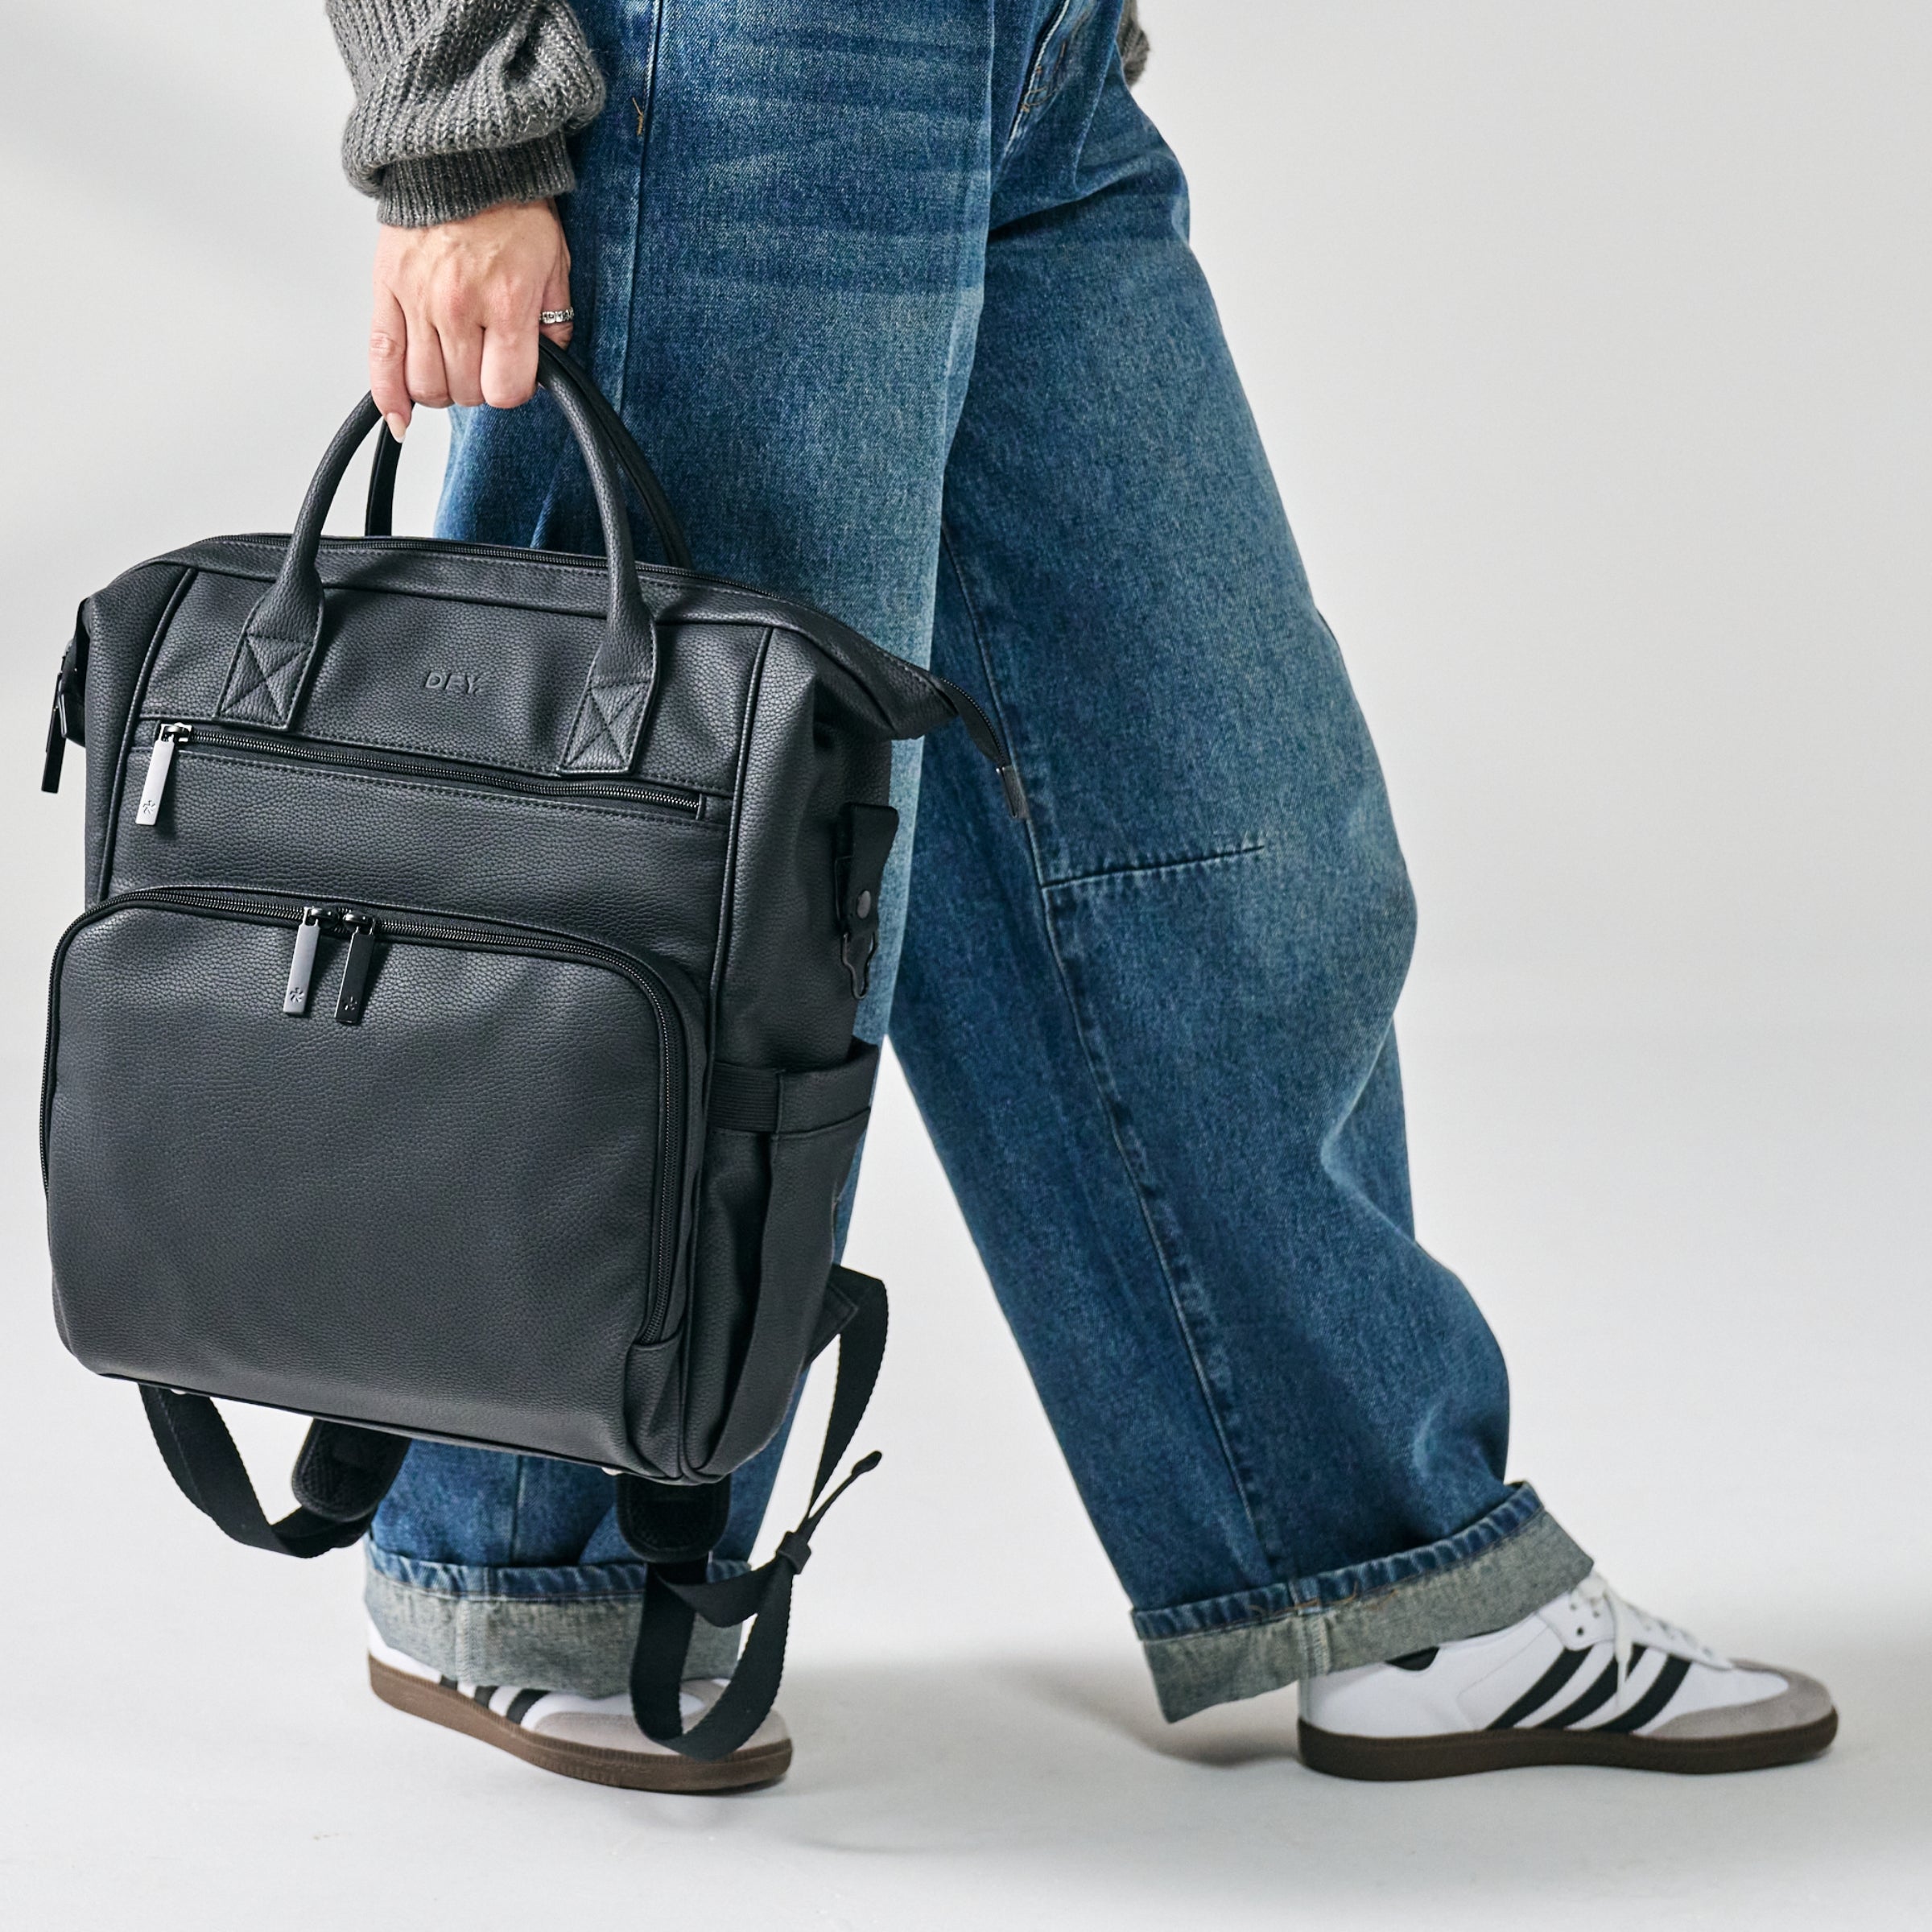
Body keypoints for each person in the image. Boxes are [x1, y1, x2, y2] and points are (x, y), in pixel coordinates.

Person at [332, 0, 1835, 1790]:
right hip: (720, 61)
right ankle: (528, 1568)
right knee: (685, 860)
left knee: (1220, 828)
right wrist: (451, 117)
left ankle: (1377, 1567)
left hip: (1014, 63)